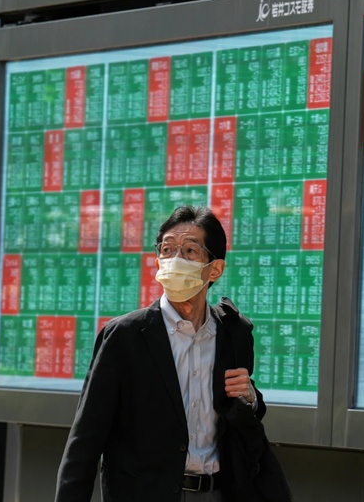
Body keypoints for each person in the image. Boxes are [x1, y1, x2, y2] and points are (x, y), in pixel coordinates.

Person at [55, 205, 284, 502]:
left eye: (189, 251)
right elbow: (86, 438)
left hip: (218, 491)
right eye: (167, 249)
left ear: (215, 269)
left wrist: (251, 398)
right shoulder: (126, 336)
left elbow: (242, 412)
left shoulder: (234, 333)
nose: (175, 260)